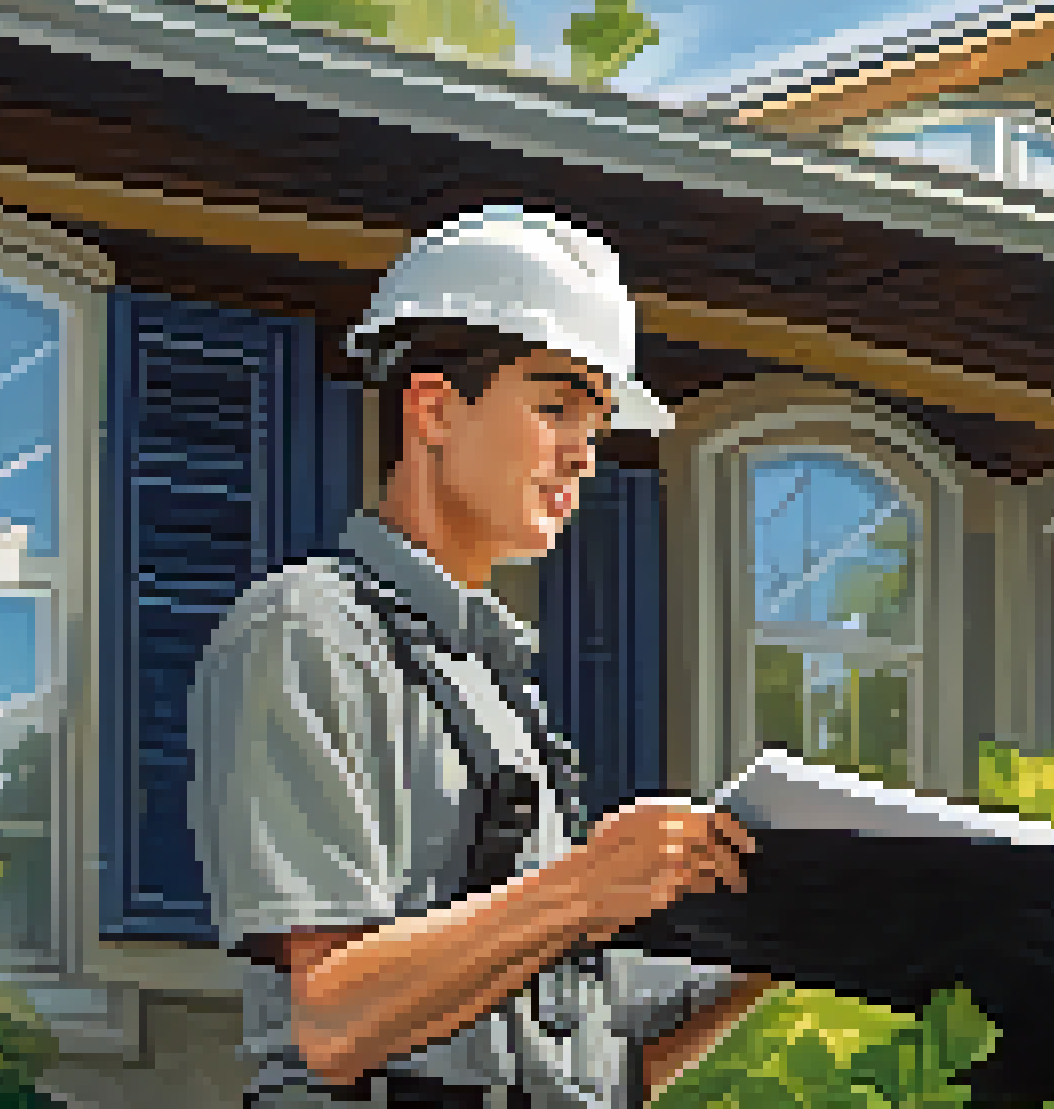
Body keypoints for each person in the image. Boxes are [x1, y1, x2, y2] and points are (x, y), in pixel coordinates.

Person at [187, 205, 772, 1109]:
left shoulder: (499, 688)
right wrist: (584, 887)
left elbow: (585, 1075)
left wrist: (780, 946)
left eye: (597, 423)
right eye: (554, 407)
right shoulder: (306, 635)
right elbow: (334, 1021)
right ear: (432, 409)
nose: (584, 454)